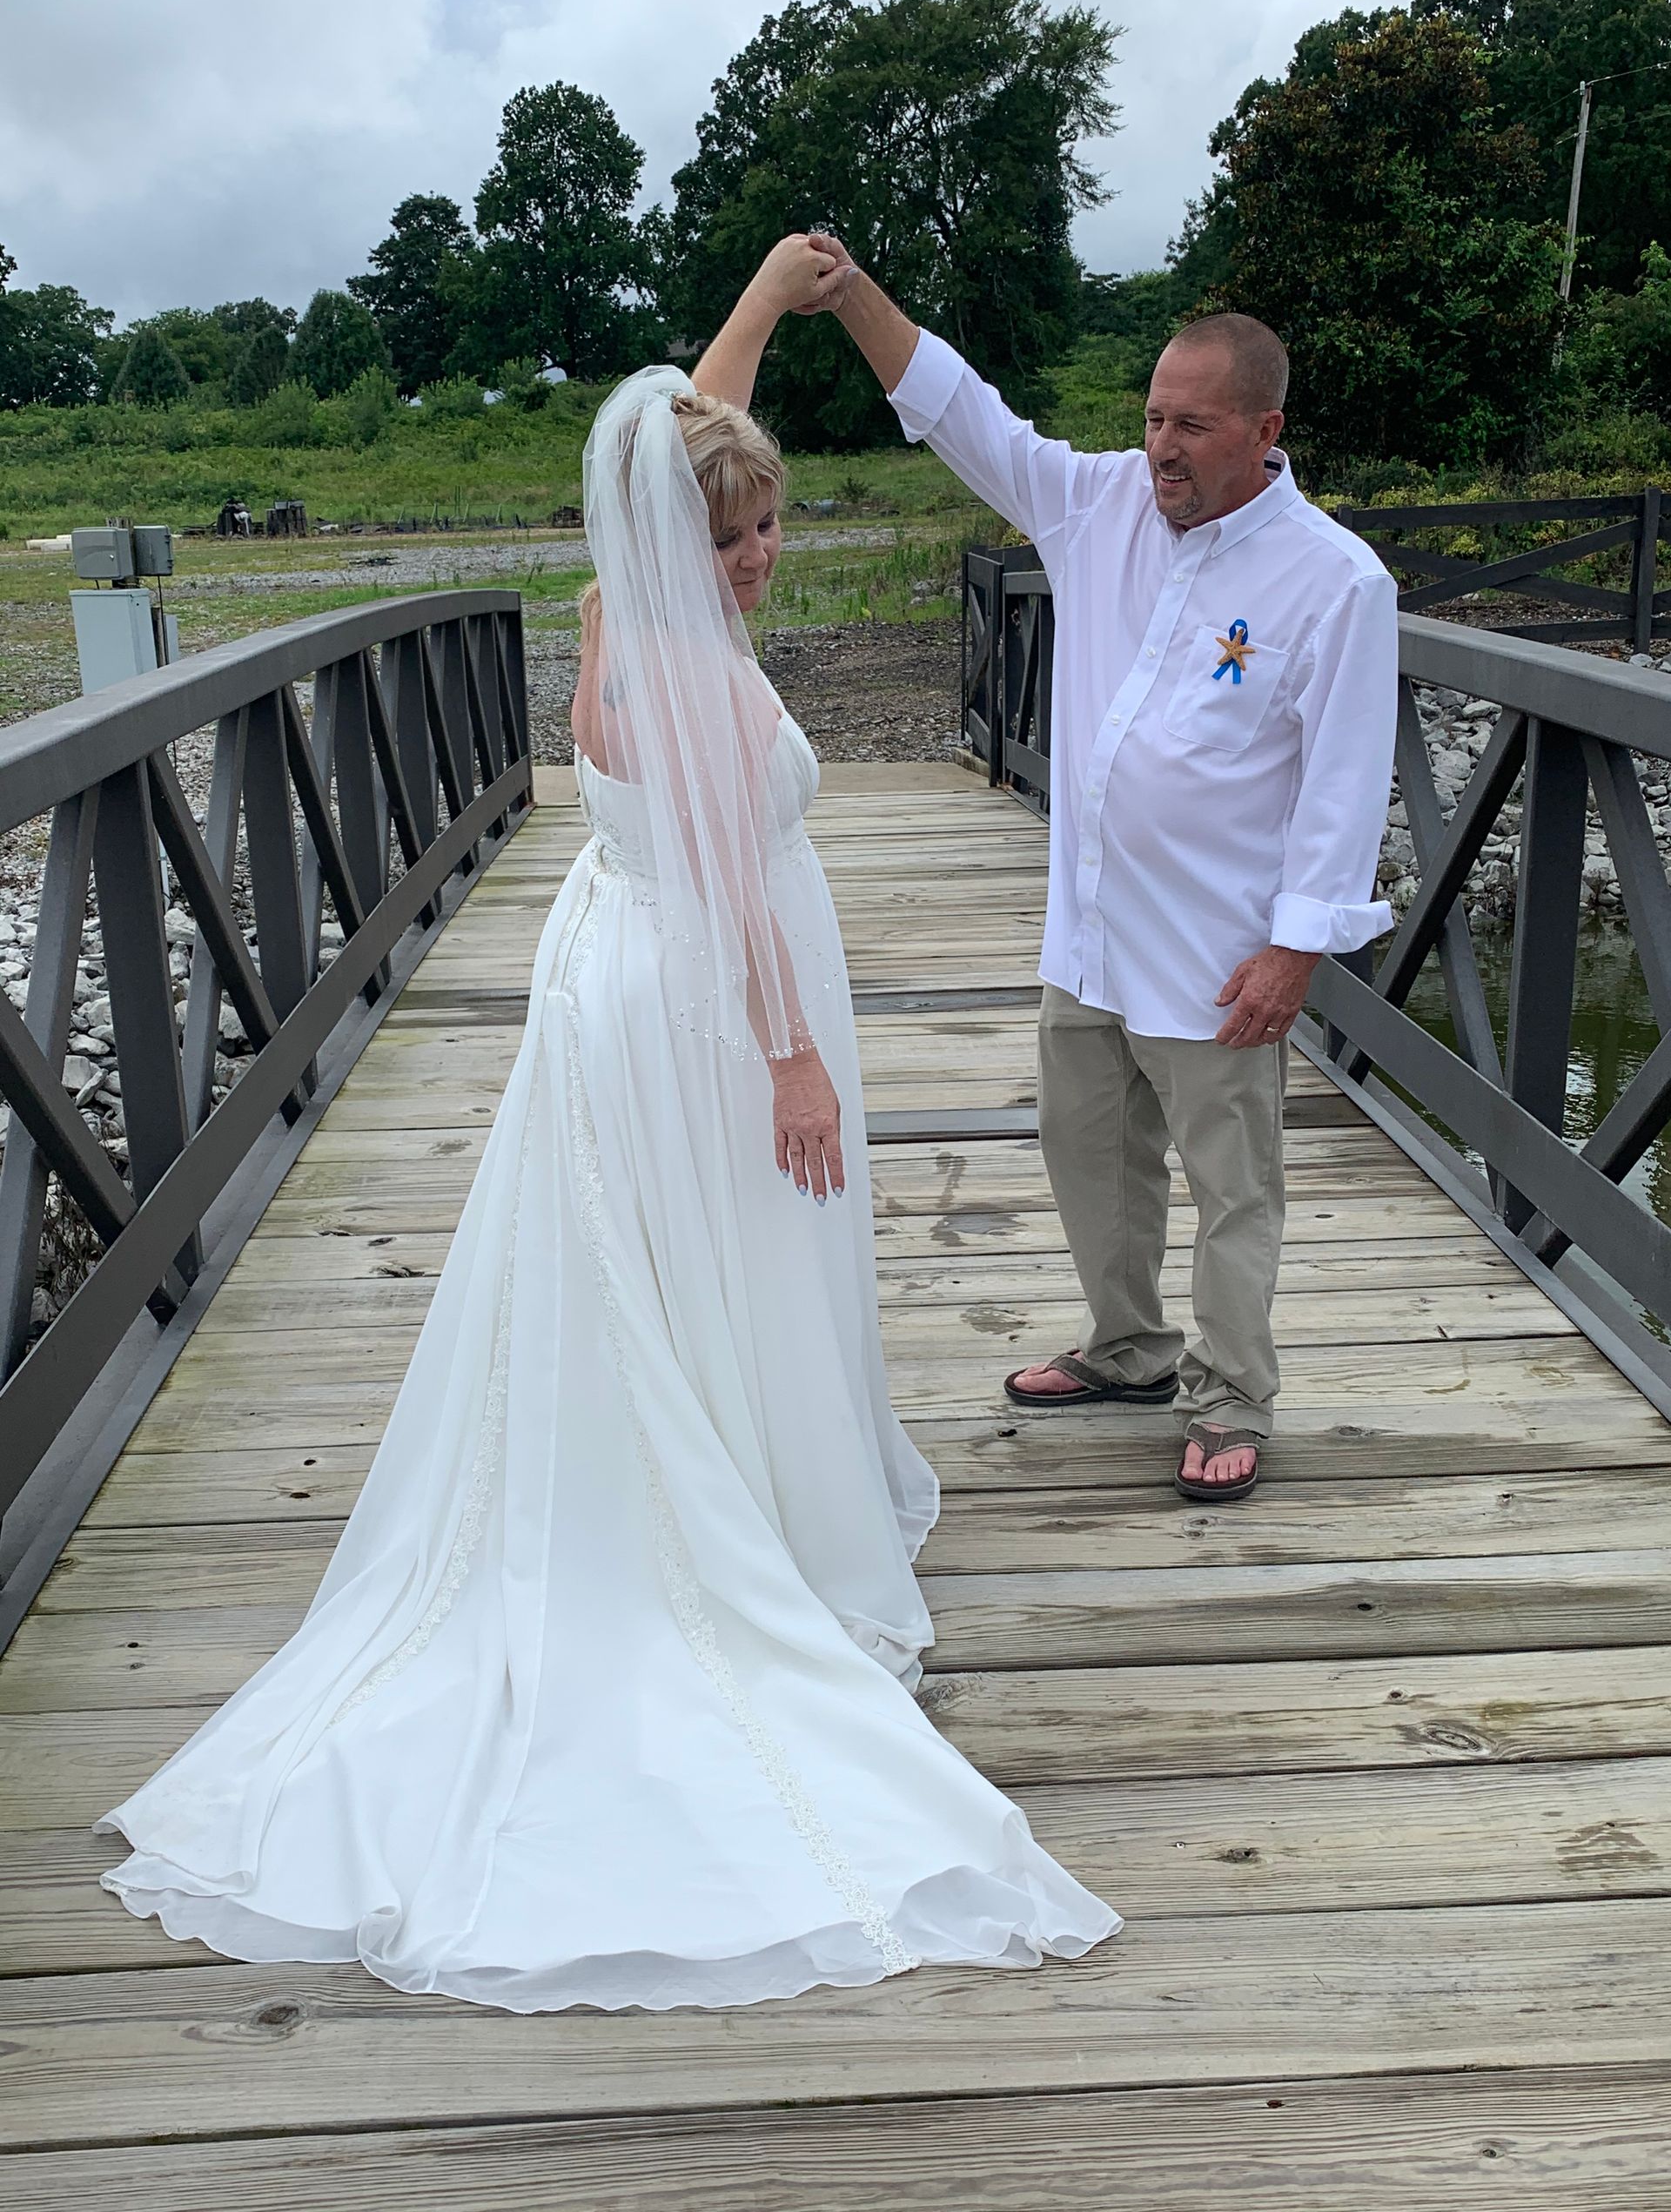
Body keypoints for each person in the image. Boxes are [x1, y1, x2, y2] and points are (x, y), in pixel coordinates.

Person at [90, 237, 1119, 2012]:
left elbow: (676, 443)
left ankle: (703, 1459)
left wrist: (760, 310)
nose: (758, 554)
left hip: (602, 974)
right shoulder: (704, 672)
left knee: (651, 1253)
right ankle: (749, 1505)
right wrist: (797, 1055)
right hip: (715, 997)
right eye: (733, 538)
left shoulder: (618, 617)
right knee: (742, 1232)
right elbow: (731, 886)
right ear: (679, 541)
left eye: (767, 525)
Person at [792, 233, 1398, 1502]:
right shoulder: (1100, 503)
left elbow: (1343, 784)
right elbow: (962, 412)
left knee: (1234, 1188)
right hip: (1091, 933)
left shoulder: (1337, 583)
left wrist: (1299, 949)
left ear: (1263, 429)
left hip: (1221, 956)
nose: (1162, 448)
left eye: (1191, 426)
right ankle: (1128, 1349)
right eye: (1152, 418)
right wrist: (853, 298)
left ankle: (1230, 1394)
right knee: (1088, 1152)